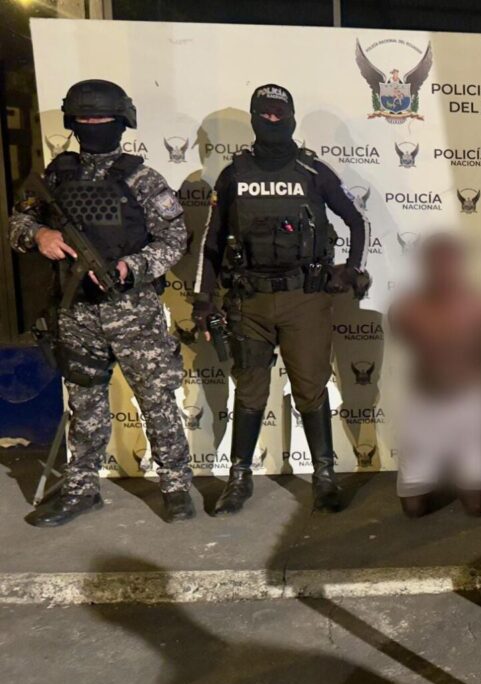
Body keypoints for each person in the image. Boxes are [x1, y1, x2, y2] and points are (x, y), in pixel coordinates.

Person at [10, 79, 194, 526]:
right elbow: (18, 222)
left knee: (156, 399)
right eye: (85, 118)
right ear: (73, 122)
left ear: (121, 121)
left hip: (132, 312)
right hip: (76, 312)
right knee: (84, 403)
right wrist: (39, 234)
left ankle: (175, 486)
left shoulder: (142, 179)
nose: (93, 124)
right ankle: (81, 489)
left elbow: (175, 239)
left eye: (102, 118)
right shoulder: (55, 176)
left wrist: (134, 265)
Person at [192, 84, 369, 515]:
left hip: (304, 299)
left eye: (279, 115)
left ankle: (324, 477)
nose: (272, 122)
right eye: (264, 115)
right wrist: (203, 300)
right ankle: (239, 479)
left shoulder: (312, 171)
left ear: (290, 118)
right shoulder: (234, 175)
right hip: (249, 300)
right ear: (254, 119)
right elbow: (212, 243)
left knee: (310, 387)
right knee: (250, 391)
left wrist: (352, 268)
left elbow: (356, 220)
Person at [388, 234, 481, 517]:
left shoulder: (478, 304)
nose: (443, 269)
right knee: (413, 511)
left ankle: (467, 471)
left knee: (477, 508)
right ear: (424, 265)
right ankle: (435, 471)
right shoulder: (405, 307)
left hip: (468, 404)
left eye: (449, 262)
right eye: (436, 262)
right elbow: (404, 336)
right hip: (424, 405)